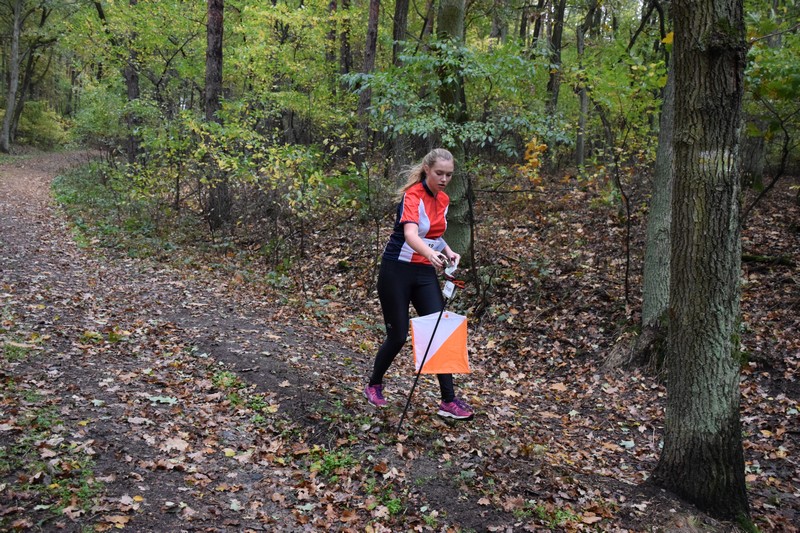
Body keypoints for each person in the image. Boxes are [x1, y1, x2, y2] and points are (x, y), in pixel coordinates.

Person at [364, 148, 474, 420]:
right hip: (397, 272)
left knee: (440, 332)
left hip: (424, 273)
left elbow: (434, 234)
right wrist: (430, 253)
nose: (444, 179)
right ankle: (374, 384)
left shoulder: (444, 199)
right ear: (427, 169)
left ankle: (448, 401)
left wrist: (447, 251)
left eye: (449, 174)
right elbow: (411, 234)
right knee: (398, 335)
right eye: (439, 173)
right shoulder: (412, 196)